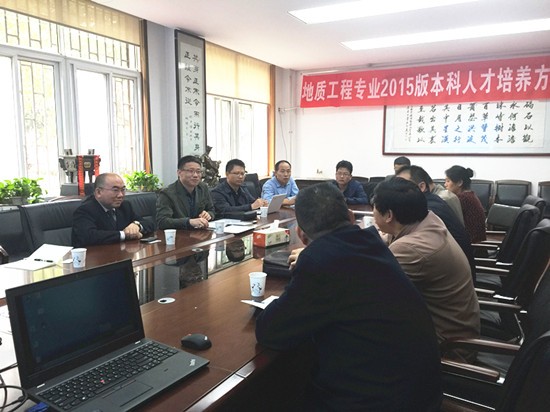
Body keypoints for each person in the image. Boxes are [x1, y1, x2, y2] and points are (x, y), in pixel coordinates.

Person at [256, 183, 442, 411]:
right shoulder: (372, 242)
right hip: (421, 391)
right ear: (351, 217)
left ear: (301, 235)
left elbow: (270, 331)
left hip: (379, 401)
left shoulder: (320, 261)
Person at [372, 178, 480, 347]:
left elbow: (371, 293)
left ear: (389, 215)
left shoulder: (410, 248)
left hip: (446, 345)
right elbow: (389, 239)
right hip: (455, 326)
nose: (373, 213)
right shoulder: (428, 219)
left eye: (374, 207)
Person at [396, 165, 475, 277]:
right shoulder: (433, 200)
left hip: (452, 273)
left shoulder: (429, 209)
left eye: (402, 187)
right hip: (455, 267)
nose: (396, 192)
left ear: (422, 186)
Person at [72, 173, 154, 247]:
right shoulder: (85, 210)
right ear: (98, 192)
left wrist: (137, 225)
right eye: (115, 190)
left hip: (121, 254)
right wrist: (124, 234)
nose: (120, 195)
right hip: (95, 257)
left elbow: (149, 224)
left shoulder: (125, 206)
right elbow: (89, 236)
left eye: (123, 190)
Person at [156, 155, 215, 230]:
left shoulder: (203, 188)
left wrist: (209, 214)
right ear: (179, 173)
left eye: (198, 171)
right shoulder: (167, 193)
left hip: (199, 233)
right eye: (191, 171)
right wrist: (189, 222)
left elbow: (211, 210)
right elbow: (162, 221)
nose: (195, 175)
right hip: (179, 234)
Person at [445, 165, 487, 243]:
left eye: (448, 181)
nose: (445, 185)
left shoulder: (462, 198)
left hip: (471, 244)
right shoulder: (469, 195)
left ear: (459, 183)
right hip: (473, 240)